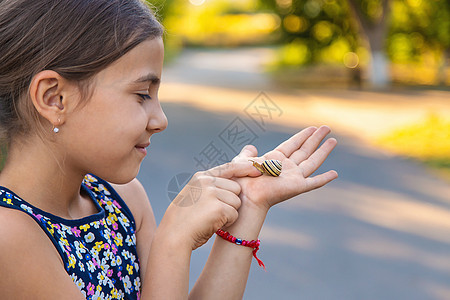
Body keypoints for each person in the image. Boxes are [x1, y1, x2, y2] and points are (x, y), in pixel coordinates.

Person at [0, 0, 338, 299]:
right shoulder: (9, 238)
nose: (160, 120)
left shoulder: (123, 199)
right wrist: (173, 240)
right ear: (53, 98)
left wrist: (248, 208)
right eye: (142, 94)